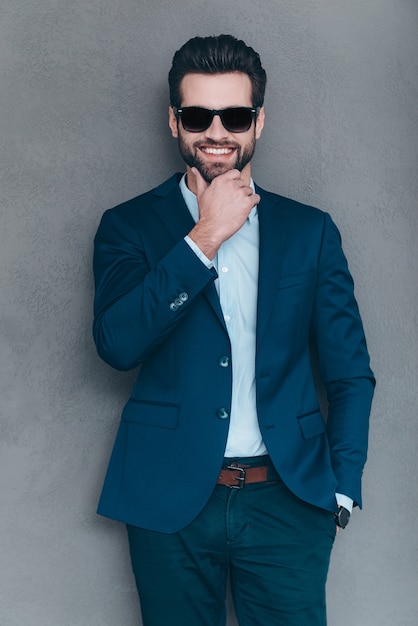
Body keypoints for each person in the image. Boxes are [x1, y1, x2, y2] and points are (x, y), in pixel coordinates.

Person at [93, 34, 375, 626]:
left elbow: (350, 374)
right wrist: (205, 237)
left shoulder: (310, 232)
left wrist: (341, 488)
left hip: (288, 500)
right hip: (167, 501)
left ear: (259, 121)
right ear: (174, 122)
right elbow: (117, 345)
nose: (216, 131)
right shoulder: (128, 227)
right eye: (198, 115)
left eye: (235, 115)